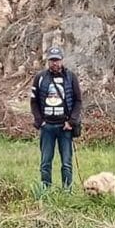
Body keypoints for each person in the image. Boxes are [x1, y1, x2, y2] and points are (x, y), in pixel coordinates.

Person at [30, 47, 83, 189]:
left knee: (66, 163)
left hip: (64, 127)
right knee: (45, 162)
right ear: (48, 61)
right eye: (52, 60)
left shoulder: (71, 77)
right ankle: (46, 191)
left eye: (57, 60)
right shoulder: (39, 78)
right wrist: (39, 121)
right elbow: (33, 102)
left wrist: (71, 121)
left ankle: (67, 191)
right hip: (47, 127)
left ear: (62, 60)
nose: (55, 63)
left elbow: (78, 101)